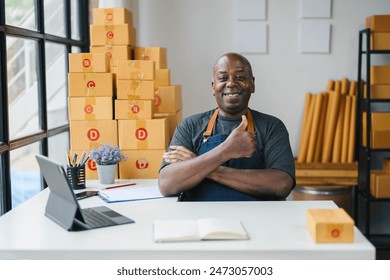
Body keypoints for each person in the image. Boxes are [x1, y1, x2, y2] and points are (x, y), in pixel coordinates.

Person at [158, 52, 295, 201]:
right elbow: (167, 184)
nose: (231, 83)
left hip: (257, 220)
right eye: (223, 78)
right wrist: (226, 151)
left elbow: (281, 184)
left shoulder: (272, 127)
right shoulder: (190, 127)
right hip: (200, 219)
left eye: (240, 77)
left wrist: (205, 168)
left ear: (252, 84)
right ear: (213, 86)